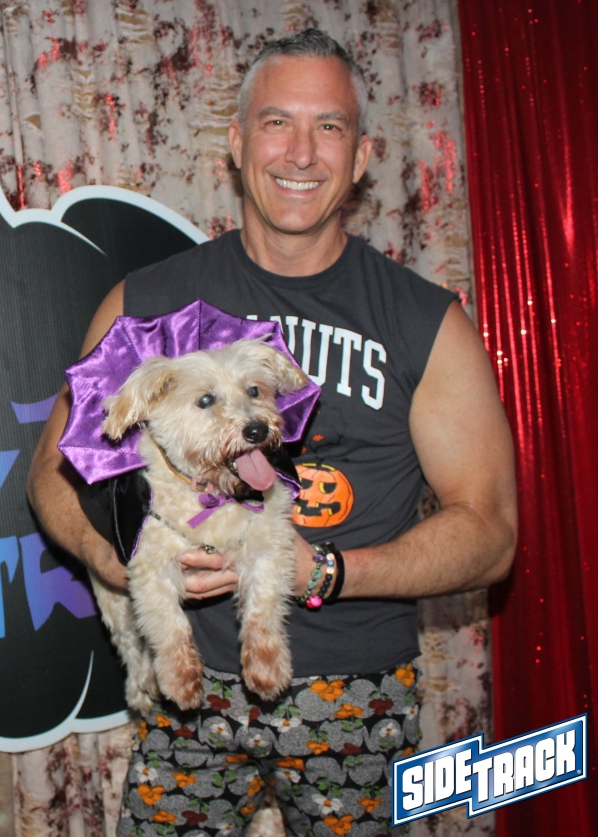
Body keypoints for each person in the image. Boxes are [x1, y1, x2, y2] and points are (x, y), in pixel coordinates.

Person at [28, 28, 516, 837]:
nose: (301, 152)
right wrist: (113, 557)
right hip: (191, 693)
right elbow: (51, 469)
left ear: (362, 157)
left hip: (355, 689)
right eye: (277, 122)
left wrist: (326, 570)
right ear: (236, 142)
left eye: (330, 127)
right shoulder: (146, 305)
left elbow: (490, 533)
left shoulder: (427, 322)